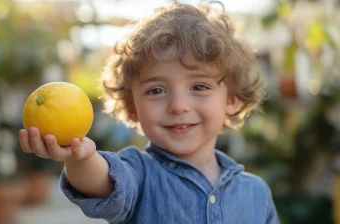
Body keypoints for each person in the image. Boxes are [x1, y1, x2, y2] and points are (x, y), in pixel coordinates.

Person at [19, 3, 279, 224]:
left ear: (231, 100)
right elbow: (103, 184)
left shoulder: (256, 193)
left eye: (199, 86)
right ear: (132, 107)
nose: (178, 105)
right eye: (156, 90)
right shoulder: (138, 174)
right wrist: (80, 157)